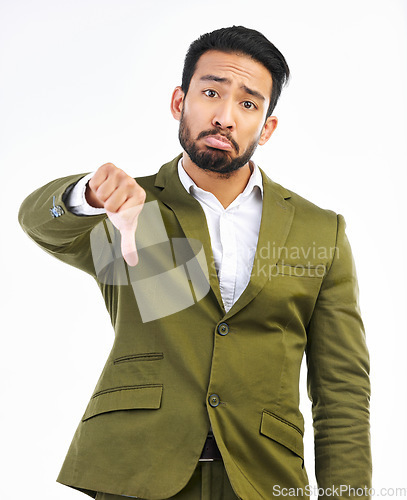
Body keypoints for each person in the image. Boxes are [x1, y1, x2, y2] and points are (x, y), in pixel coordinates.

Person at [19, 26, 372, 500]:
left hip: (264, 479)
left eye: (248, 104)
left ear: (266, 127)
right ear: (179, 102)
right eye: (211, 93)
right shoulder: (132, 209)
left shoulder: (319, 231)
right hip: (136, 474)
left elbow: (342, 389)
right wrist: (87, 193)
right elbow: (40, 221)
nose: (225, 116)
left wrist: (347, 496)